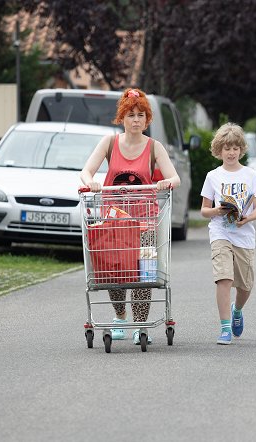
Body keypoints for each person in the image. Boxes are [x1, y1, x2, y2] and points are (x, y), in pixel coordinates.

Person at [80, 87, 181, 345]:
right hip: (114, 223)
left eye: (140, 115)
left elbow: (175, 178)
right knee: (114, 271)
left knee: (142, 275)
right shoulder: (110, 143)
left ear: (147, 119)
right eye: (130, 115)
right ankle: (121, 318)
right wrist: (91, 183)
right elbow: (86, 172)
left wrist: (164, 183)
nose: (136, 120)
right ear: (122, 118)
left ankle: (140, 324)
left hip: (146, 222)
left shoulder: (154, 147)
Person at [200, 123, 256, 345]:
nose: (231, 152)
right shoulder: (213, 176)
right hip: (220, 232)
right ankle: (225, 327)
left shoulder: (251, 175)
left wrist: (248, 218)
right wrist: (217, 211)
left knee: (245, 285)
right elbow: (203, 210)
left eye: (235, 148)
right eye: (226, 148)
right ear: (219, 150)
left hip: (243, 234)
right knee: (224, 278)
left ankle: (237, 310)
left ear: (241, 150)